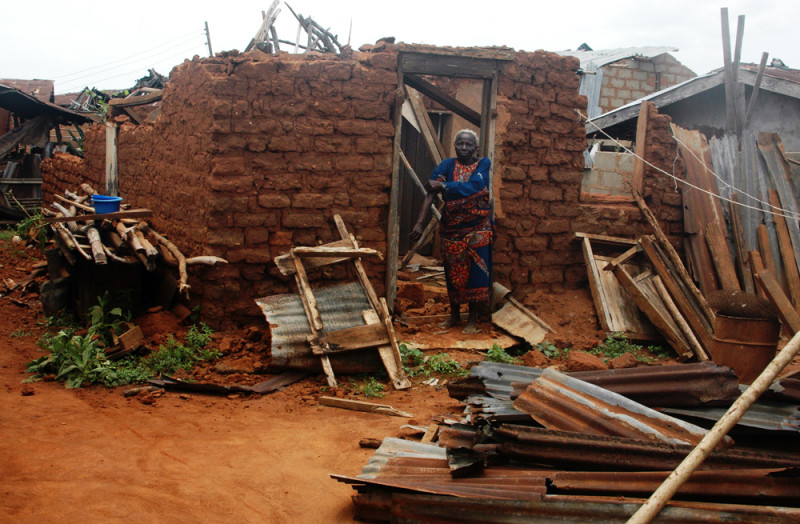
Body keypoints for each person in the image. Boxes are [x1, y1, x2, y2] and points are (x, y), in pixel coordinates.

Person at [409, 129, 494, 334]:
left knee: (477, 272)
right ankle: (455, 315)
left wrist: (443, 186)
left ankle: (472, 319)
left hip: (478, 227)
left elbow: (476, 186)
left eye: (468, 144)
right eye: (460, 144)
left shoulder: (483, 164)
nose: (463, 148)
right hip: (452, 227)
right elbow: (431, 190)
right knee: (453, 271)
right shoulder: (447, 165)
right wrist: (420, 223)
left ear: (476, 148)